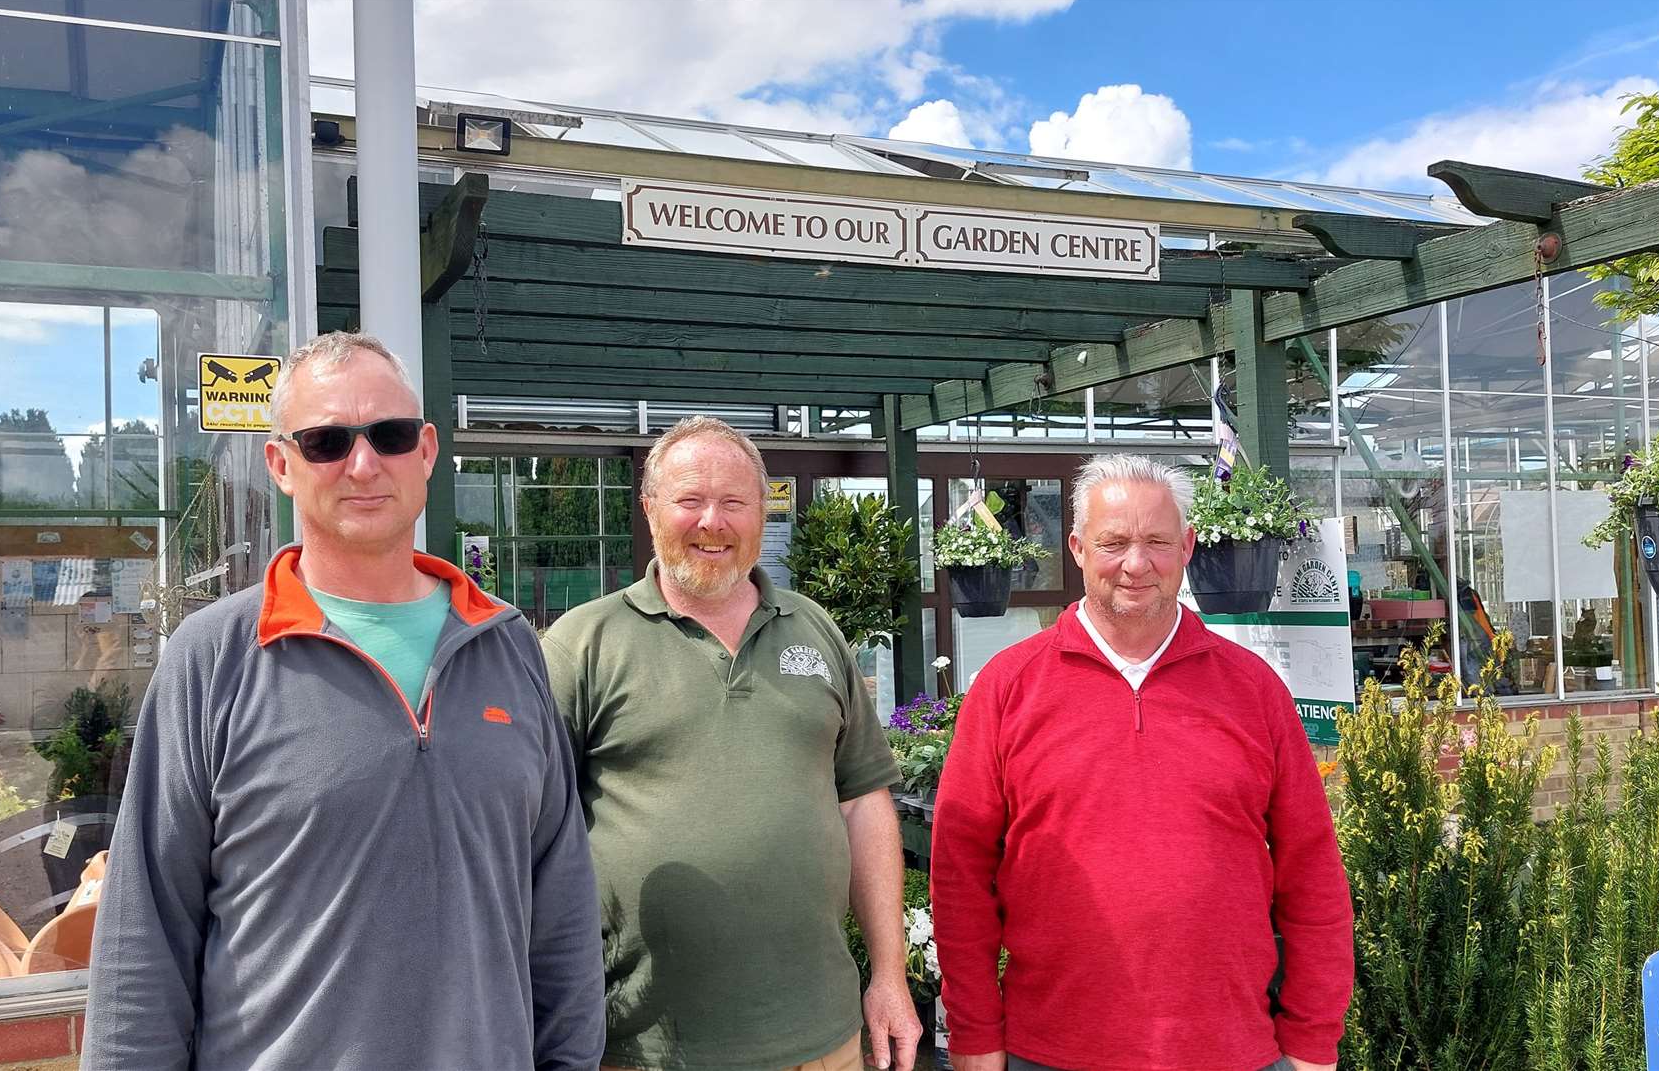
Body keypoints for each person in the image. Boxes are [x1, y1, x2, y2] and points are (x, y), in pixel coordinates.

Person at [83, 332, 604, 1070]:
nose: (363, 465)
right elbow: (145, 941)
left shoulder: (506, 643)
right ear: (281, 465)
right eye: (327, 441)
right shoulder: (214, 660)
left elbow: (563, 912)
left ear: (425, 452)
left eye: (388, 436)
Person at [931, 454, 1353, 1071]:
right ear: (1076, 548)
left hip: (1229, 1051)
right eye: (1114, 542)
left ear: (1187, 546)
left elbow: (1311, 871)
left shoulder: (1252, 689)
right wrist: (975, 1035)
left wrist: (1314, 1039)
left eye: (1157, 541)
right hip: (1049, 1051)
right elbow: (960, 876)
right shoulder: (1007, 687)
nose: (1136, 563)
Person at [542, 416, 921, 1071]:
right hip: (645, 1045)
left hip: (820, 1040)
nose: (712, 521)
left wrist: (889, 972)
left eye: (735, 502)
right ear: (651, 509)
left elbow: (863, 802)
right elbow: (531, 829)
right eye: (690, 500)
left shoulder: (815, 630)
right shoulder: (583, 644)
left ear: (763, 512)